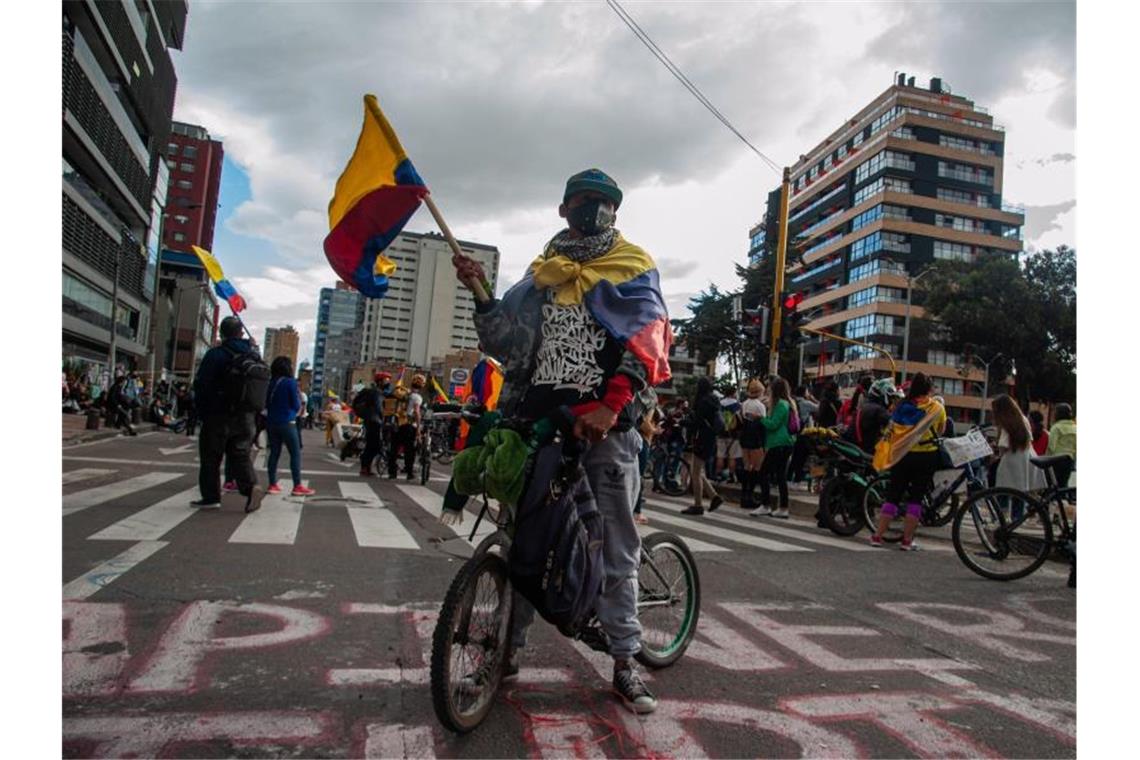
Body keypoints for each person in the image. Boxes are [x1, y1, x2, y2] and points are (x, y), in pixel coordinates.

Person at [452, 167, 671, 713]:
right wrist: (481, 294)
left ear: (615, 212)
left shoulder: (634, 267)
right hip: (538, 427)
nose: (593, 209)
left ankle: (625, 661)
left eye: (604, 202)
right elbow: (507, 344)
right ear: (563, 208)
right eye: (583, 200)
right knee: (526, 544)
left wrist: (611, 405)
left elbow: (648, 340)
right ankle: (505, 652)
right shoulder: (540, 275)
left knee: (617, 548)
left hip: (604, 430)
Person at [192, 316, 264, 512]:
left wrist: (201, 412)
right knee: (240, 455)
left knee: (211, 457)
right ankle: (251, 488)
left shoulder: (216, 354)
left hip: (218, 414)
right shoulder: (253, 356)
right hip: (246, 416)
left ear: (222, 334)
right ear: (241, 333)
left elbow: (202, 385)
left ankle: (211, 497)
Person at [869, 373, 946, 550]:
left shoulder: (901, 407)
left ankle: (877, 536)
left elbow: (892, 430)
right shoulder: (936, 408)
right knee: (916, 499)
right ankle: (906, 541)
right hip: (926, 456)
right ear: (929, 389)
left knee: (893, 496)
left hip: (902, 455)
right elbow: (941, 431)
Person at [264, 357, 314, 496]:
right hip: (287, 422)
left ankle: (272, 484)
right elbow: (296, 405)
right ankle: (297, 485)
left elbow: (266, 403)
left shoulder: (271, 382)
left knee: (274, 453)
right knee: (295, 453)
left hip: (271, 422)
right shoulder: (290, 383)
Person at [750, 377, 796, 518]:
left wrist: (760, 418)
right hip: (784, 443)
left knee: (764, 473)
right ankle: (783, 508)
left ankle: (765, 505)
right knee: (780, 476)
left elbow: (773, 424)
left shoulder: (781, 405)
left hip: (779, 443)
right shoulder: (787, 403)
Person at [991, 394, 1045, 502]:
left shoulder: (1006, 423)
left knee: (1003, 490)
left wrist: (996, 455)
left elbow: (1003, 445)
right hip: (1027, 457)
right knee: (1020, 494)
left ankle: (1001, 515)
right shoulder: (1023, 419)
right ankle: (1018, 517)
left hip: (1011, 460)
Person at [684, 376, 724, 516]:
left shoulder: (703, 401)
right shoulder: (714, 400)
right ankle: (714, 496)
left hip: (702, 438)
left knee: (695, 472)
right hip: (711, 438)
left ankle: (698, 505)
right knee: (698, 470)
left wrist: (684, 423)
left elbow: (697, 422)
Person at [388, 374, 425, 480]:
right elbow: (417, 412)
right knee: (409, 450)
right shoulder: (417, 397)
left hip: (396, 423)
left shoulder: (402, 394)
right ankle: (409, 472)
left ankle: (392, 472)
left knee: (394, 449)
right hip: (408, 426)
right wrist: (418, 427)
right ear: (421, 386)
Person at [738, 379, 767, 511]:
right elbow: (763, 423)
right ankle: (750, 495)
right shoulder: (760, 406)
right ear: (760, 391)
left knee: (746, 466)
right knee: (757, 467)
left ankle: (744, 495)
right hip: (756, 439)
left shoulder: (744, 404)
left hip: (745, 437)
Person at [357, 372, 389, 477]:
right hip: (373, 422)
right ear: (380, 381)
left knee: (372, 445)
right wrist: (383, 418)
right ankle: (364, 468)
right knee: (374, 445)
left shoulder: (378, 392)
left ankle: (367, 468)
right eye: (386, 380)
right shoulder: (376, 393)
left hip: (373, 421)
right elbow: (379, 408)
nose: (388, 382)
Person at [715, 385, 743, 483]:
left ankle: (718, 475)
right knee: (732, 456)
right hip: (734, 434)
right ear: (733, 393)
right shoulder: (738, 405)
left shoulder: (719, 404)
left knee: (720, 455)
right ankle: (731, 476)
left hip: (721, 433)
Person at [1045, 403, 1076, 487]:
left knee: (1051, 484)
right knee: (1063, 484)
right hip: (1069, 460)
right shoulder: (1075, 428)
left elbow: (1051, 447)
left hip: (1056, 460)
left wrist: (1045, 460)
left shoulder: (1056, 428)